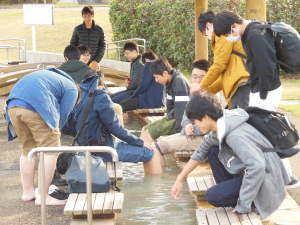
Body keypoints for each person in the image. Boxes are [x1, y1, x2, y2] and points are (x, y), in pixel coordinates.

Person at [213, 10, 299, 188]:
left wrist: (262, 94)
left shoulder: (254, 35)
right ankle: (285, 177)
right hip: (261, 90)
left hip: (265, 91)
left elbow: (267, 66)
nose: (229, 37)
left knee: (267, 134)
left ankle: (287, 178)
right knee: (265, 133)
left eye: (228, 34)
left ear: (234, 26)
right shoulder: (251, 30)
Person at [171, 93, 290, 219]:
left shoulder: (234, 136)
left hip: (268, 182)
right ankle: (233, 194)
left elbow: (257, 167)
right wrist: (180, 178)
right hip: (262, 171)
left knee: (213, 196)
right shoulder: (222, 123)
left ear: (205, 117)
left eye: (194, 121)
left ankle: (252, 202)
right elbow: (200, 152)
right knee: (213, 151)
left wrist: (243, 204)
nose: (195, 126)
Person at [62, 69, 162, 174]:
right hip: (104, 150)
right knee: (152, 153)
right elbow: (116, 129)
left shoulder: (77, 94)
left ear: (84, 80)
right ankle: (153, 188)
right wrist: (140, 142)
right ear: (101, 85)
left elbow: (66, 127)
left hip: (86, 147)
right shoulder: (101, 97)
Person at [5, 68, 80, 206]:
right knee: (50, 150)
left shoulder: (50, 76)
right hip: (35, 105)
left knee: (28, 150)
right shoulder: (73, 89)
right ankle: (43, 196)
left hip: (13, 105)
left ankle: (28, 192)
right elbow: (61, 119)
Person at [152, 59, 222, 167]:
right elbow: (186, 114)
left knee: (158, 146)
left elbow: (211, 126)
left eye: (202, 77)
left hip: (205, 138)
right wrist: (186, 124)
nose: (197, 80)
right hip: (192, 134)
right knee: (157, 142)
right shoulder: (194, 93)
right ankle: (162, 180)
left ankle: (161, 179)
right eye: (194, 77)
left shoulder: (212, 97)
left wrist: (191, 129)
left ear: (209, 77)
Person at [189, 10, 250, 109]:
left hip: (241, 83)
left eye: (205, 32)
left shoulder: (221, 35)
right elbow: (223, 77)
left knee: (240, 120)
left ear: (208, 24)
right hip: (239, 82)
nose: (207, 36)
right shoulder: (222, 36)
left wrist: (202, 85)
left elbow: (219, 65)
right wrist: (208, 89)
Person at [140, 57, 190, 144]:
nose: (156, 80)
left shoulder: (179, 82)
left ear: (165, 73)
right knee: (145, 129)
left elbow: (181, 110)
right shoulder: (169, 83)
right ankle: (139, 154)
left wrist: (177, 134)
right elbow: (170, 106)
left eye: (157, 77)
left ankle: (146, 156)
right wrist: (166, 120)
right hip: (175, 116)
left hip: (186, 120)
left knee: (151, 132)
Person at [118, 49, 164, 118]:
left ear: (146, 60)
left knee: (121, 106)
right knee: (125, 102)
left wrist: (134, 94)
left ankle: (124, 125)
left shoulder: (149, 64)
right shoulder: (162, 65)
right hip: (160, 101)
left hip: (149, 101)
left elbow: (144, 83)